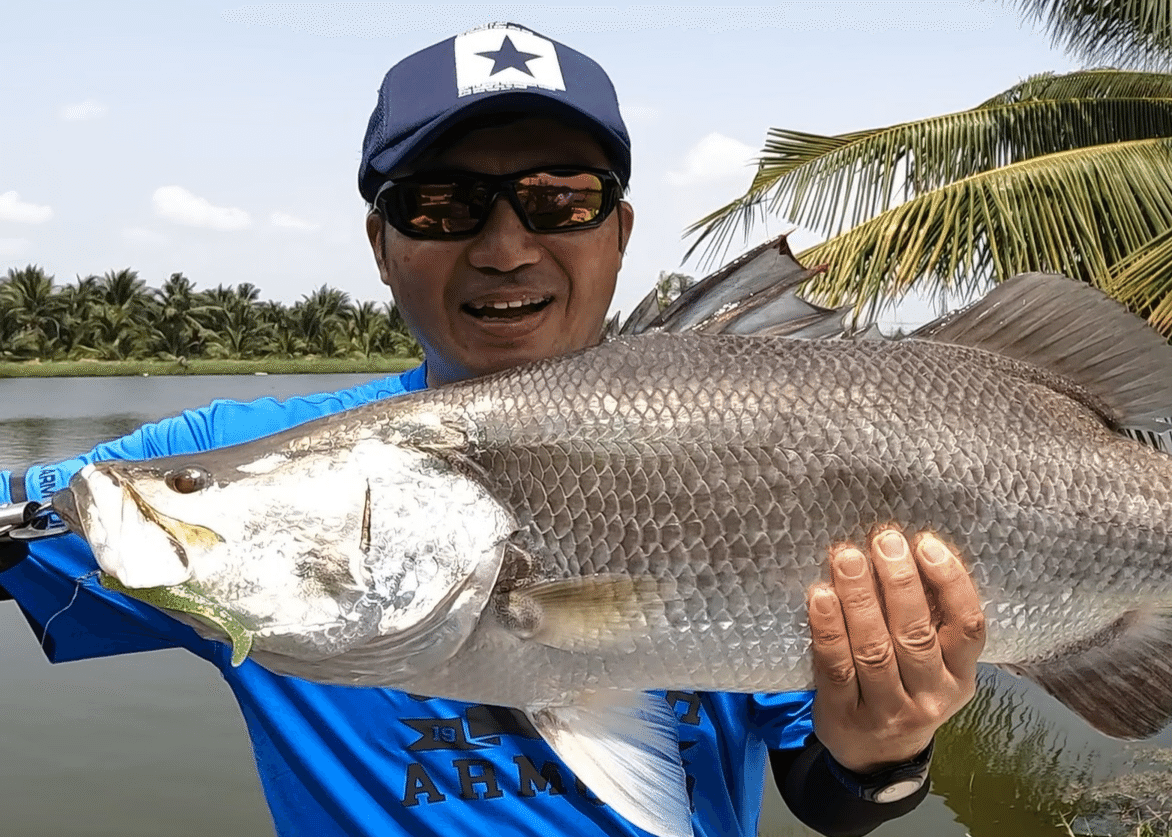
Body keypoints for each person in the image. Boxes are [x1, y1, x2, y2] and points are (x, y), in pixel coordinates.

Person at [0, 21, 985, 837]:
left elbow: (829, 800)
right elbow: (41, 519)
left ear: (620, 232)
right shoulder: (237, 463)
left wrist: (884, 750)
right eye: (442, 207)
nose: (506, 248)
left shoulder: (770, 439)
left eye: (561, 201)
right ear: (383, 245)